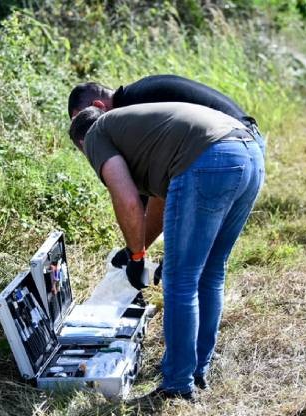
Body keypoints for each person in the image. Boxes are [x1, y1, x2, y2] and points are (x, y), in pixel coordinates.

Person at [69, 102, 264, 401]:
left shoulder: (95, 135)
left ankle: (177, 386)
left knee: (180, 279)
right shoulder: (140, 131)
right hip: (249, 153)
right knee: (210, 272)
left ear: (82, 144)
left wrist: (137, 257)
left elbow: (127, 200)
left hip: (210, 159)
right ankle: (197, 370)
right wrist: (140, 249)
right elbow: (163, 198)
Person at [67, 74, 266, 156]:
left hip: (232, 145)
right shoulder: (138, 93)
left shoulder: (132, 109)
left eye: (85, 119)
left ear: (98, 105)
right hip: (248, 140)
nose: (88, 130)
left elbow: (148, 174)